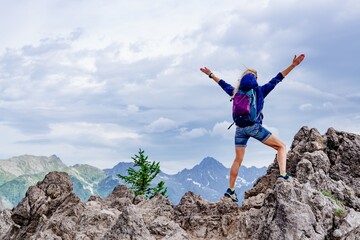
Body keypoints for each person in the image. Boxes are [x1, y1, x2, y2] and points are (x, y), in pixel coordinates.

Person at [200, 54, 305, 202]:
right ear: (255, 79)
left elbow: (222, 83)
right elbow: (278, 78)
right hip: (254, 127)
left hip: (239, 129)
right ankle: (283, 175)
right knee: (281, 146)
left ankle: (230, 190)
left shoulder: (235, 91)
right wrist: (293, 65)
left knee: (238, 159)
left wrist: (210, 74)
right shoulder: (260, 91)